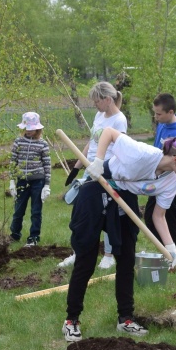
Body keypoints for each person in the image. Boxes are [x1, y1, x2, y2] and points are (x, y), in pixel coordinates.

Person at [62, 127, 176, 342]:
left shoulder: (172, 180)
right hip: (99, 184)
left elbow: (159, 216)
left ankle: (125, 318)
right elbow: (108, 132)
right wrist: (98, 161)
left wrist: (170, 249)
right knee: (86, 258)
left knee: (127, 258)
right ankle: (71, 320)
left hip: (125, 196)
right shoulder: (142, 153)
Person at [58, 81, 128, 270]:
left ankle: (108, 255)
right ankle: (78, 252)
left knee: (106, 214)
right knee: (84, 214)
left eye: (97, 101)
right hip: (91, 170)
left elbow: (120, 148)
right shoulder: (99, 115)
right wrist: (77, 166)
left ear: (107, 99)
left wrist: (103, 168)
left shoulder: (119, 120)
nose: (94, 105)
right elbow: (92, 142)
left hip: (107, 172)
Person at [145, 93, 176, 256]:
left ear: (170, 112)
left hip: (172, 181)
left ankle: (175, 252)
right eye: (155, 113)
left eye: (159, 114)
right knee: (152, 217)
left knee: (166, 217)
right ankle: (169, 251)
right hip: (158, 177)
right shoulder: (164, 123)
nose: (156, 117)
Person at [8, 111, 51, 246]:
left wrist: (47, 185)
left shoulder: (42, 144)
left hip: (38, 181)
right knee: (18, 209)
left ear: (38, 129)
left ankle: (34, 237)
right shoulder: (18, 142)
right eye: (27, 128)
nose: (29, 131)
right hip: (22, 180)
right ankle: (14, 235)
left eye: (32, 129)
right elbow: (13, 161)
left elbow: (47, 164)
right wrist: (12, 181)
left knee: (36, 211)